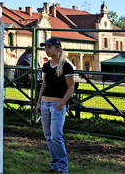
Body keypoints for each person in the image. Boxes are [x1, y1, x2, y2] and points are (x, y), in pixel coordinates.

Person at [36, 38, 75, 174]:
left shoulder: (66, 66)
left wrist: (61, 104)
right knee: (48, 136)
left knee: (56, 136)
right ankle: (55, 165)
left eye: (49, 47)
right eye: (45, 47)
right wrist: (39, 102)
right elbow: (44, 85)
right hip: (45, 104)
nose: (47, 50)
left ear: (58, 49)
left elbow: (71, 88)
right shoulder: (46, 66)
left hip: (57, 104)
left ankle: (63, 168)